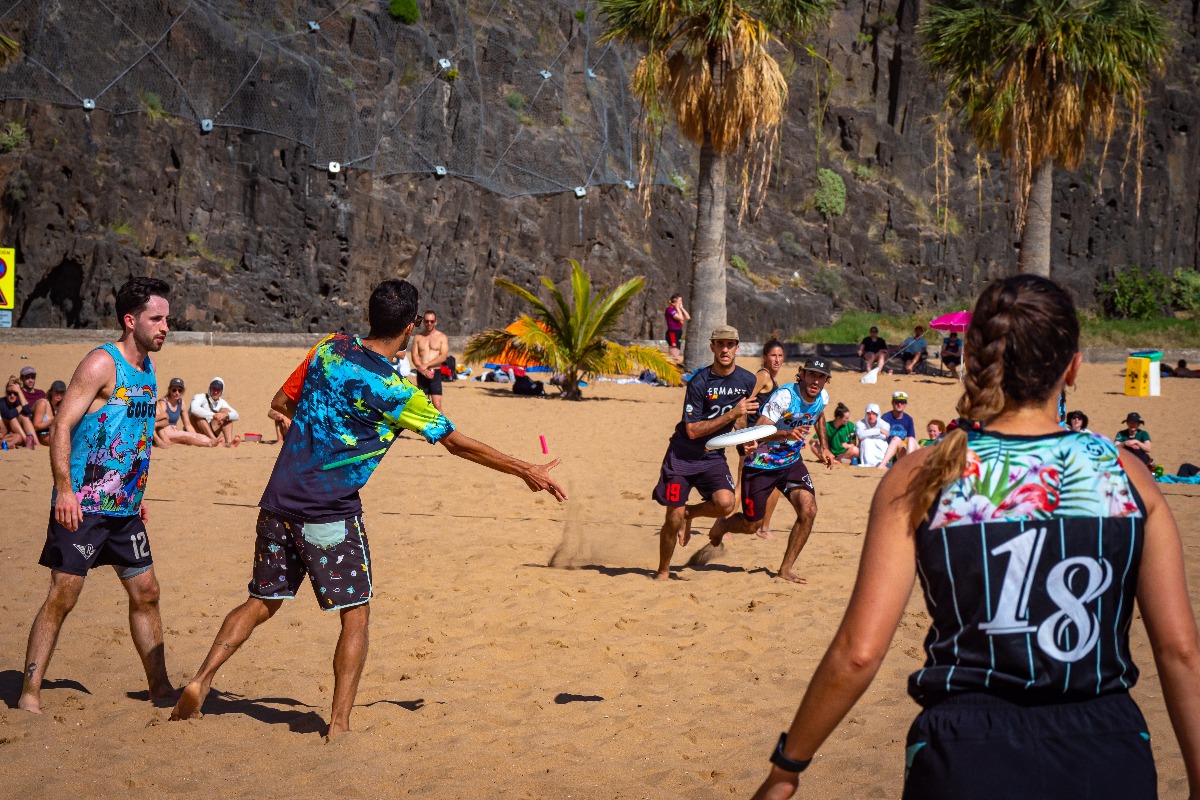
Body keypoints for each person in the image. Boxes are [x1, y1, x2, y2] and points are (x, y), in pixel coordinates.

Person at [750, 274, 1200, 800]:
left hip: (965, 748)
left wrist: (788, 767)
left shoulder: (926, 472)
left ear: (970, 362)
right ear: (1073, 367)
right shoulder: (1125, 475)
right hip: (1104, 742)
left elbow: (858, 653)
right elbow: (1180, 650)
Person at [169, 279, 567, 737]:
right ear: (411, 326)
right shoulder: (396, 391)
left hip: (279, 499)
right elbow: (457, 444)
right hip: (330, 513)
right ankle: (338, 724)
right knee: (355, 613)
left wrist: (316, 437)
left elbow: (280, 403)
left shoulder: (328, 349)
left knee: (261, 601)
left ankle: (201, 679)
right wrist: (527, 471)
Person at [19, 277, 174, 714]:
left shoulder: (148, 367)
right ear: (131, 320)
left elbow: (133, 434)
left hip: (125, 509)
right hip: (83, 507)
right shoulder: (101, 364)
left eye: (167, 318)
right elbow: (61, 426)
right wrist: (65, 491)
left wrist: (137, 491)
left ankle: (160, 688)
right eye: (156, 318)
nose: (165, 326)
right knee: (63, 594)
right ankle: (29, 693)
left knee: (147, 592)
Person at [708, 358, 834, 584]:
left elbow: (819, 415)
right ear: (802, 374)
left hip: (790, 463)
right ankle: (725, 524)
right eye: (812, 375)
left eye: (821, 377)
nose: (816, 381)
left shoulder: (822, 397)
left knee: (809, 511)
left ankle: (785, 569)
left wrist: (825, 447)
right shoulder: (784, 397)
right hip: (760, 465)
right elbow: (757, 431)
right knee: (752, 525)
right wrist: (786, 434)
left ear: (826, 380)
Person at [652, 325, 757, 580]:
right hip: (682, 458)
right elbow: (692, 431)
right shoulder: (699, 382)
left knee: (726, 503)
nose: (725, 349)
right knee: (673, 517)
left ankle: (691, 513)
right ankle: (664, 570)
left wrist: (747, 443)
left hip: (712, 458)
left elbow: (743, 421)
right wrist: (731, 413)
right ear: (712, 347)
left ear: (737, 348)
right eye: (720, 344)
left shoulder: (747, 380)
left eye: (729, 345)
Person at [739, 340, 786, 538]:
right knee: (741, 484)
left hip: (764, 440)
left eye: (780, 356)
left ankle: (764, 527)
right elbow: (743, 400)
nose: (776, 359)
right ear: (765, 357)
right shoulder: (763, 375)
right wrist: (743, 433)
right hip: (752, 438)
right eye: (773, 355)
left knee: (774, 483)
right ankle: (723, 525)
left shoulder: (774, 382)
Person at [154, 378, 217, 448]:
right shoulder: (163, 403)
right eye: (174, 390)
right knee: (186, 438)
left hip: (175, 430)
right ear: (169, 390)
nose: (177, 393)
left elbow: (187, 425)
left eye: (179, 390)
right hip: (165, 431)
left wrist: (196, 435)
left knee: (198, 436)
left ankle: (220, 443)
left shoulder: (181, 403)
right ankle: (206, 444)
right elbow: (161, 422)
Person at [410, 309, 449, 411]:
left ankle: (443, 426)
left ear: (435, 322)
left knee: (437, 404)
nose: (429, 323)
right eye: (427, 321)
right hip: (422, 373)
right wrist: (422, 369)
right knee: (423, 405)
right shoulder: (418, 337)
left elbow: (443, 356)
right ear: (423, 322)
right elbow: (414, 355)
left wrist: (426, 365)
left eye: (431, 321)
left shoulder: (441, 337)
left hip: (435, 372)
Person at [189, 378, 240, 446]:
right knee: (199, 417)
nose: (215, 392)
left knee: (226, 413)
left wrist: (224, 415)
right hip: (195, 430)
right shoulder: (200, 397)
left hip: (211, 429)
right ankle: (214, 440)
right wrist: (213, 415)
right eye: (214, 389)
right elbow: (194, 409)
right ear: (210, 389)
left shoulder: (222, 402)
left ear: (222, 391)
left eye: (218, 390)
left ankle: (229, 443)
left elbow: (236, 415)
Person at [876, 391, 918, 469]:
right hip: (890, 450)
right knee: (896, 439)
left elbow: (911, 437)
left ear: (905, 404)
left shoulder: (908, 419)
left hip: (904, 450)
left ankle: (908, 464)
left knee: (911, 439)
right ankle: (882, 465)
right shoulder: (886, 417)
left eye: (902, 402)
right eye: (897, 402)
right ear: (892, 403)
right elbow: (881, 438)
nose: (899, 404)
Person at [32, 380, 67, 446]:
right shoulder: (43, 403)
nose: (59, 394)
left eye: (61, 392)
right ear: (51, 392)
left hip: (54, 433)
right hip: (40, 434)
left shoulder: (61, 406)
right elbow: (36, 426)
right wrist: (52, 421)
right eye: (57, 391)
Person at [854, 403, 890, 467]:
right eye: (869, 414)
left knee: (879, 441)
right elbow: (860, 435)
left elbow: (883, 436)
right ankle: (868, 463)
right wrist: (879, 430)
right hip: (865, 448)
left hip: (880, 448)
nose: (871, 416)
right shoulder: (860, 423)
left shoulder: (885, 424)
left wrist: (866, 433)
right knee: (866, 441)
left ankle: (881, 463)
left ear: (878, 415)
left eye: (874, 414)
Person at [2, 377, 34, 449]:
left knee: (18, 437)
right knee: (13, 419)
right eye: (9, 393)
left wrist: (20, 392)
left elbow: (27, 411)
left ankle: (35, 443)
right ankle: (27, 441)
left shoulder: (18, 402)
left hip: (8, 435)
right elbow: (9, 415)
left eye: (15, 393)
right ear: (6, 393)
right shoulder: (1, 402)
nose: (12, 395)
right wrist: (20, 407)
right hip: (2, 432)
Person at [665, 293, 690, 363]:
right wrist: (678, 308)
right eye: (680, 300)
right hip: (672, 332)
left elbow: (687, 317)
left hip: (678, 332)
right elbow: (680, 318)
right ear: (675, 301)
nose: (681, 302)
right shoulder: (670, 309)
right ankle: (670, 362)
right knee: (674, 347)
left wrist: (681, 308)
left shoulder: (677, 310)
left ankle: (674, 362)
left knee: (678, 348)